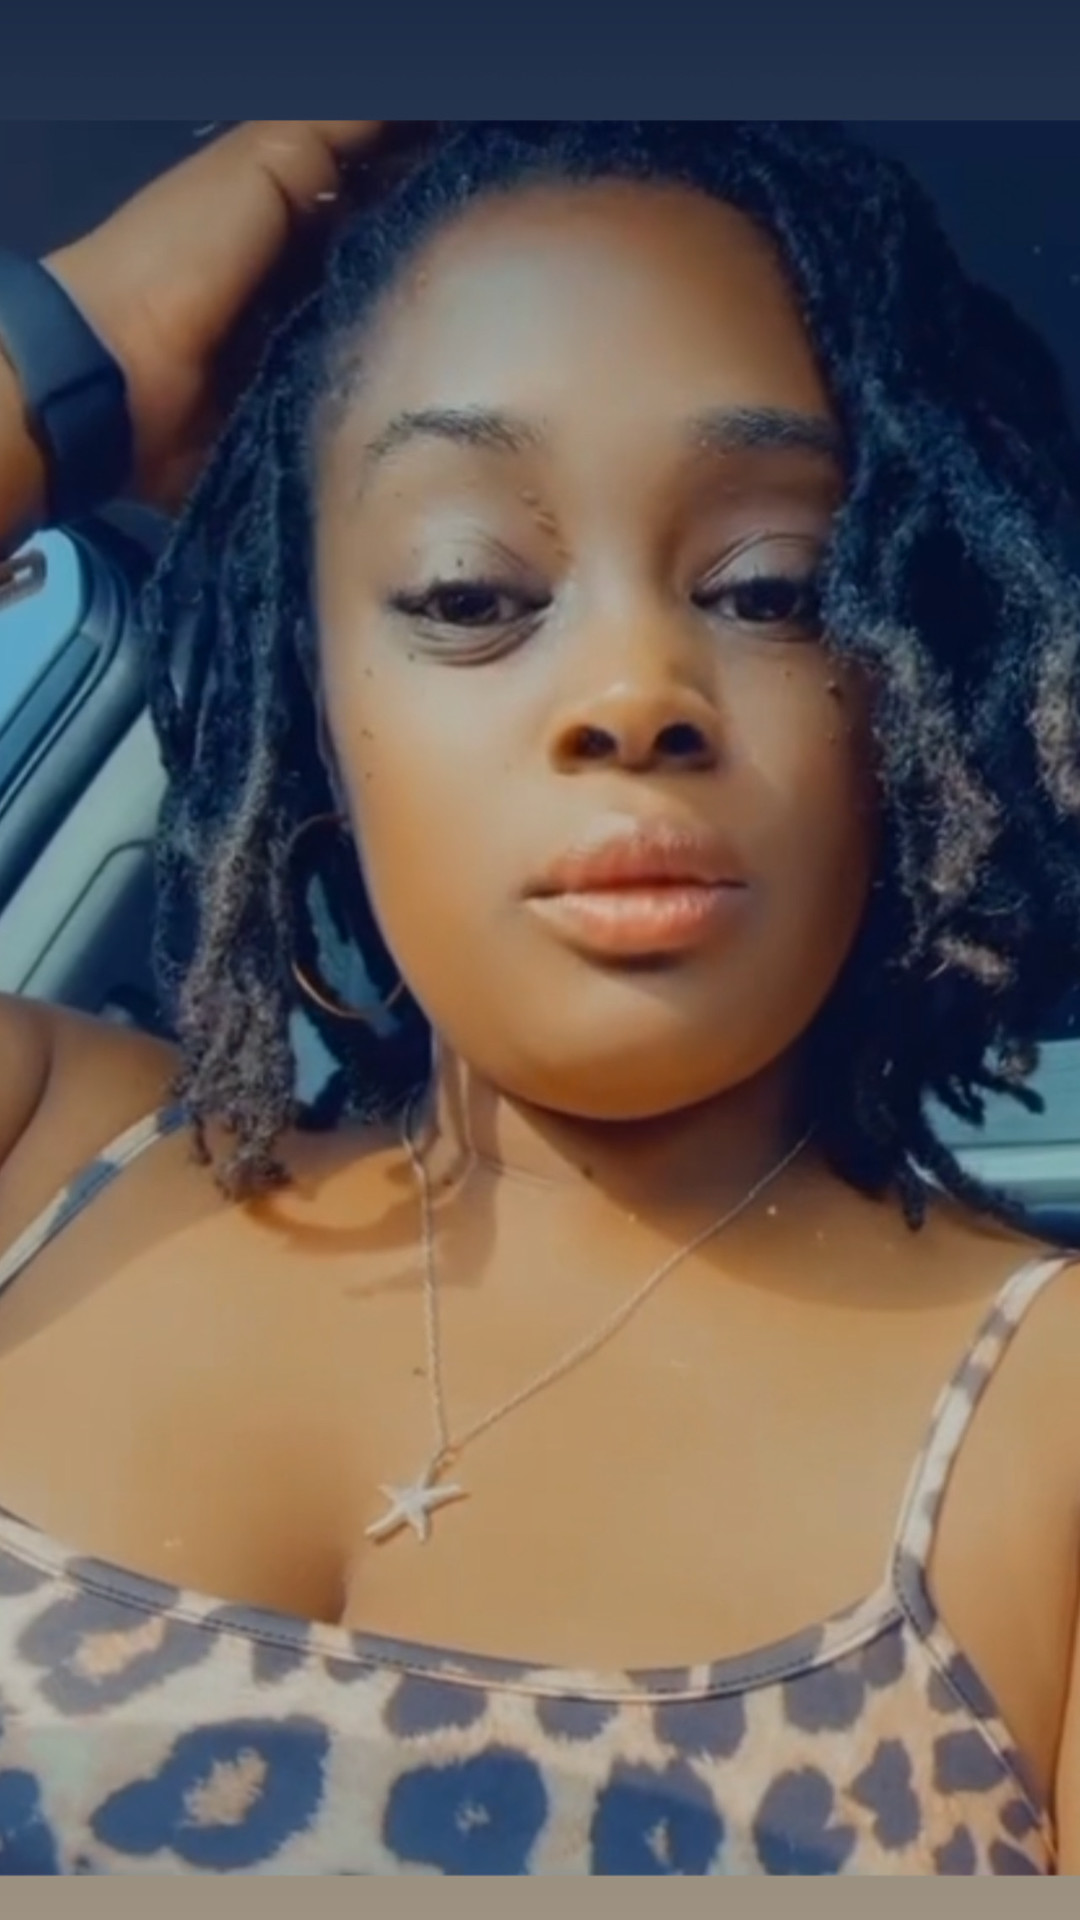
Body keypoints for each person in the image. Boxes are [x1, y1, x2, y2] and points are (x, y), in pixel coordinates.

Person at [0, 119, 1078, 1878]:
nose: (633, 690)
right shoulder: (41, 1166)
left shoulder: (1055, 1432)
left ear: (915, 677)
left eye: (769, 588)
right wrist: (75, 354)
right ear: (315, 682)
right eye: (470, 592)